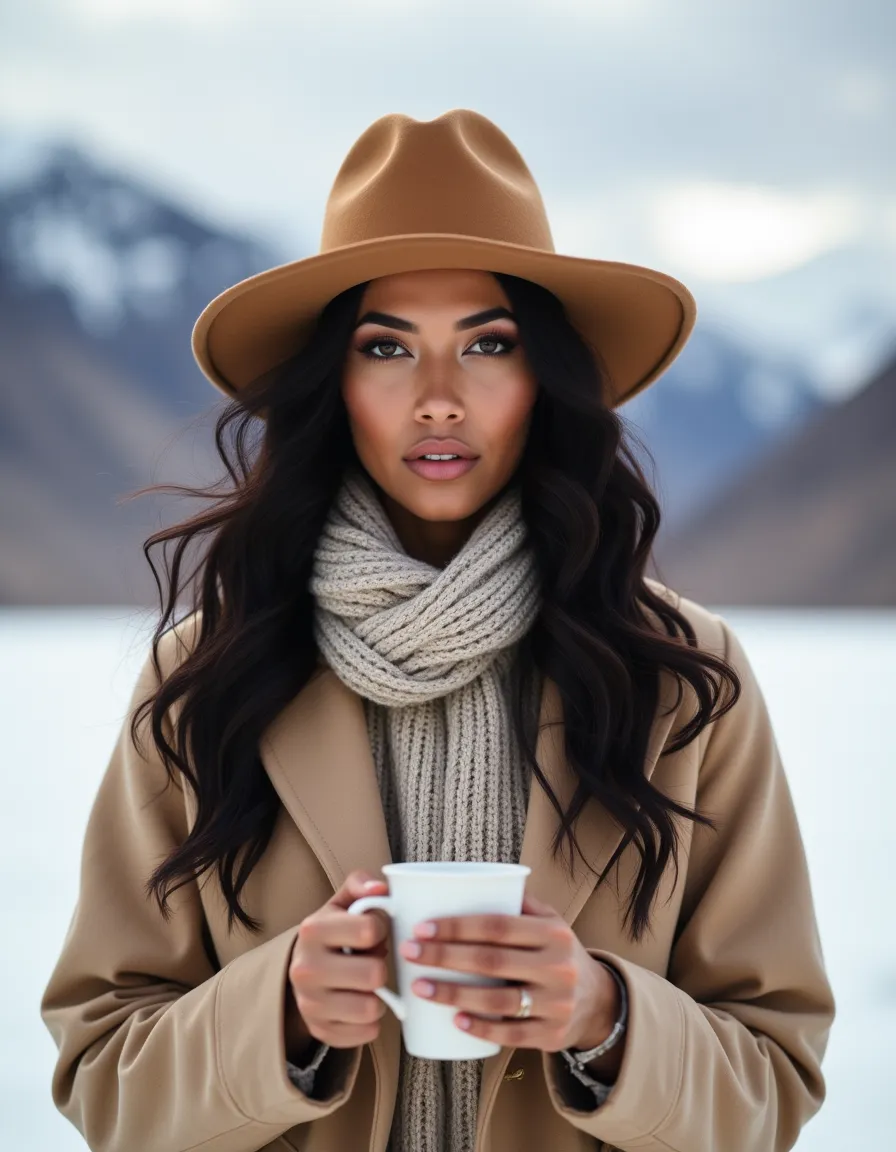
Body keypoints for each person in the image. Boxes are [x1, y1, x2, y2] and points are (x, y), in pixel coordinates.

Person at [40, 109, 835, 1152]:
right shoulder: (205, 672)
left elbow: (773, 1078)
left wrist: (604, 1020)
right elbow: (102, 1076)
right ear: (335, 384)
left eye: (487, 345)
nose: (438, 401)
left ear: (542, 379)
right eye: (386, 348)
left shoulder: (682, 679)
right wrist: (275, 1014)